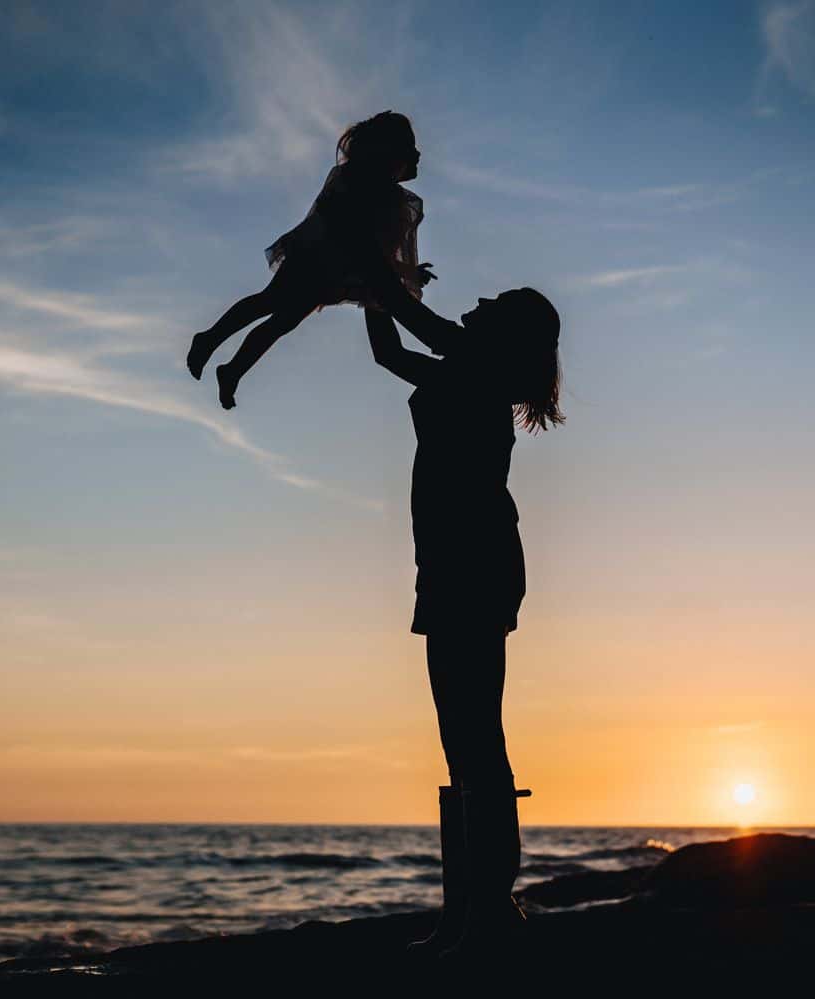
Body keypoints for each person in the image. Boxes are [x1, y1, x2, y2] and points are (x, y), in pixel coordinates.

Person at [363, 269, 562, 961]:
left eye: (492, 305)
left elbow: (410, 330)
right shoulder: (469, 368)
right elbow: (389, 352)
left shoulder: (476, 367)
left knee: (475, 740)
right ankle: (470, 911)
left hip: (471, 566)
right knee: (464, 741)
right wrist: (374, 293)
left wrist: (379, 279)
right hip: (456, 565)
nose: (474, 304)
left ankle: (489, 910)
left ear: (503, 332)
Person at [186, 110, 431, 409]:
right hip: (316, 258)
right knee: (272, 301)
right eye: (411, 147)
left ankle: (232, 370)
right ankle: (210, 339)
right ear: (390, 152)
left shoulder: (397, 200)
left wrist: (408, 270)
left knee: (282, 320)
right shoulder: (359, 180)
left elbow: (381, 251)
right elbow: (338, 220)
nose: (418, 153)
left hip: (340, 272)